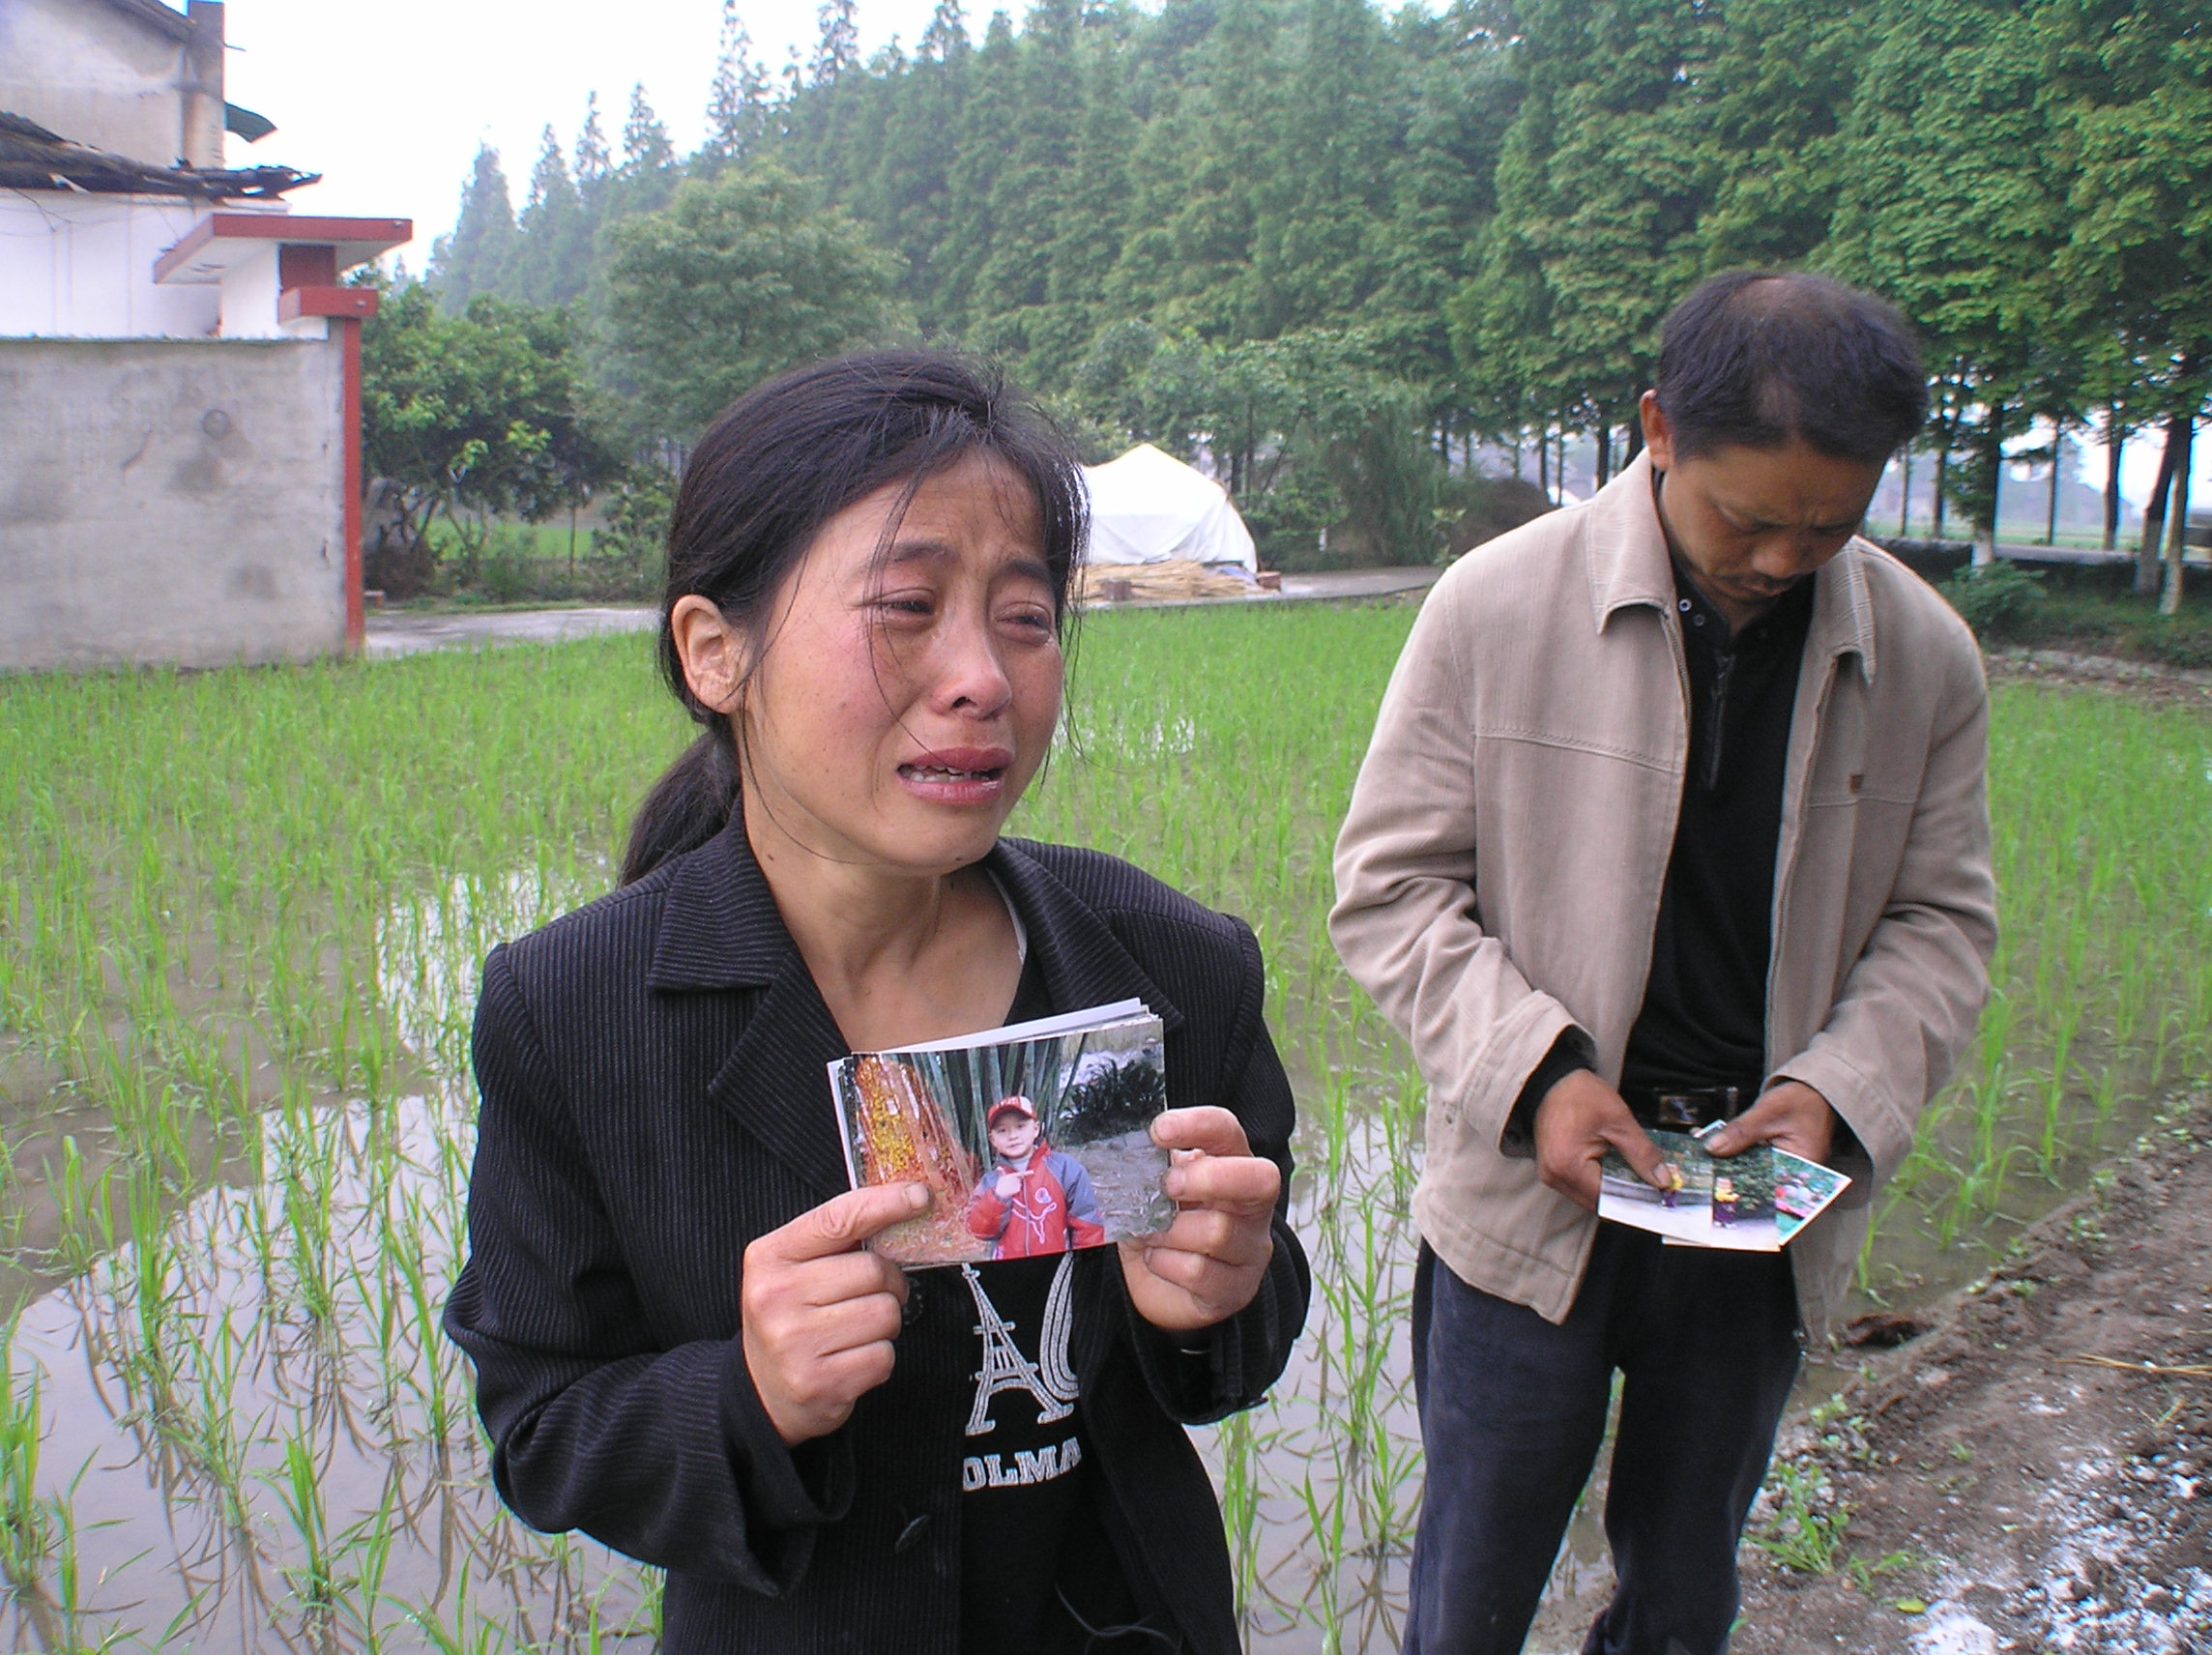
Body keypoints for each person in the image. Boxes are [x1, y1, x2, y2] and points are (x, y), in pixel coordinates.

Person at [443, 352, 1309, 1655]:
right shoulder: (575, 1012)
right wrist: (748, 1393)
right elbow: (542, 1424)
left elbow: (1251, 1316)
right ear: (715, 651)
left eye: (1026, 617)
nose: (984, 676)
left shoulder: (1170, 967)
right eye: (908, 604)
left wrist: (1224, 1294)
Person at [1330, 271, 1996, 1655]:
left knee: (1686, 1592)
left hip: (1755, 1199)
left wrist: (1834, 1092)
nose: (1781, 559)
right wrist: (1541, 1074)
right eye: (1748, 519)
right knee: (1470, 1595)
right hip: (1537, 1189)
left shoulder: (1924, 657)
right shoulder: (1496, 608)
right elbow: (1390, 889)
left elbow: (1942, 924)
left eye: (1830, 526)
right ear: (1658, 431)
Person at [967, 1095, 1108, 1258]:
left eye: (1020, 1126)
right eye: (1002, 1130)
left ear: (1036, 1129)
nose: (1012, 1136)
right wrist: (998, 1197)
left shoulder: (1065, 1169)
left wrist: (1087, 1263)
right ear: (992, 1140)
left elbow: (1087, 1222)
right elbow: (978, 1230)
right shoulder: (990, 1182)